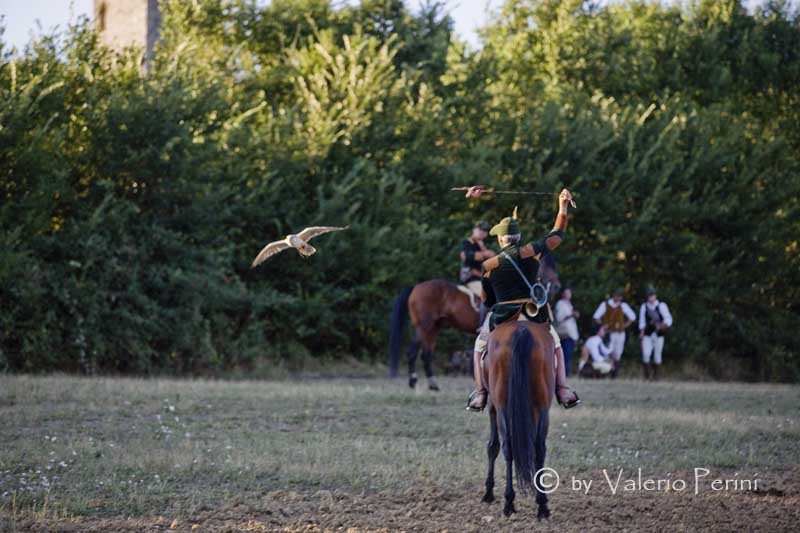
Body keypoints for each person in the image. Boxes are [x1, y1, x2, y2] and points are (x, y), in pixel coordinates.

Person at [466, 188, 580, 412]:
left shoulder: (489, 265)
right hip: (534, 314)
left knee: (479, 348)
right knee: (555, 344)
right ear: (518, 238)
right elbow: (557, 236)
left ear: (500, 239)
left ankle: (480, 394)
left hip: (502, 316)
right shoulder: (531, 251)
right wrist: (562, 207)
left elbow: (487, 300)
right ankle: (563, 388)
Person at [593, 288, 636, 376]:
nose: (619, 298)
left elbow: (632, 317)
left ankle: (615, 373)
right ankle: (607, 372)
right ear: (614, 296)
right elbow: (596, 317)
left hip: (620, 333)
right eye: (617, 296)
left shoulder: (623, 306)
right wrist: (603, 326)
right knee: (609, 352)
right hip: (609, 333)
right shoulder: (605, 305)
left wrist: (623, 326)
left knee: (618, 352)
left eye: (620, 296)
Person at [639, 287, 673, 380]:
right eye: (649, 296)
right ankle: (646, 376)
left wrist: (662, 325)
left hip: (659, 334)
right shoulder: (644, 307)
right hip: (647, 334)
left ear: (655, 296)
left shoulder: (661, 306)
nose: (650, 298)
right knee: (646, 354)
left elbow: (668, 319)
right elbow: (642, 322)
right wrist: (641, 332)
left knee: (657, 355)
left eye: (652, 296)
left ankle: (656, 376)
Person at [460, 221, 495, 301]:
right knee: (488, 295)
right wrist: (485, 254)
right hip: (470, 278)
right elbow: (466, 256)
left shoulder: (482, 245)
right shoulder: (467, 243)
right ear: (474, 229)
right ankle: (483, 314)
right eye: (480, 229)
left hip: (481, 279)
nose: (483, 232)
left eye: (485, 231)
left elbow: (492, 259)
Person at [554, 286, 579, 376]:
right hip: (565, 334)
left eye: (569, 293)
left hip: (570, 334)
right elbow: (559, 318)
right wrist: (571, 315)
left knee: (567, 356)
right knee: (565, 356)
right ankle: (563, 375)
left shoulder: (569, 304)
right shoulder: (560, 304)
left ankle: (565, 375)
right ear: (563, 294)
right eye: (567, 293)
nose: (569, 295)